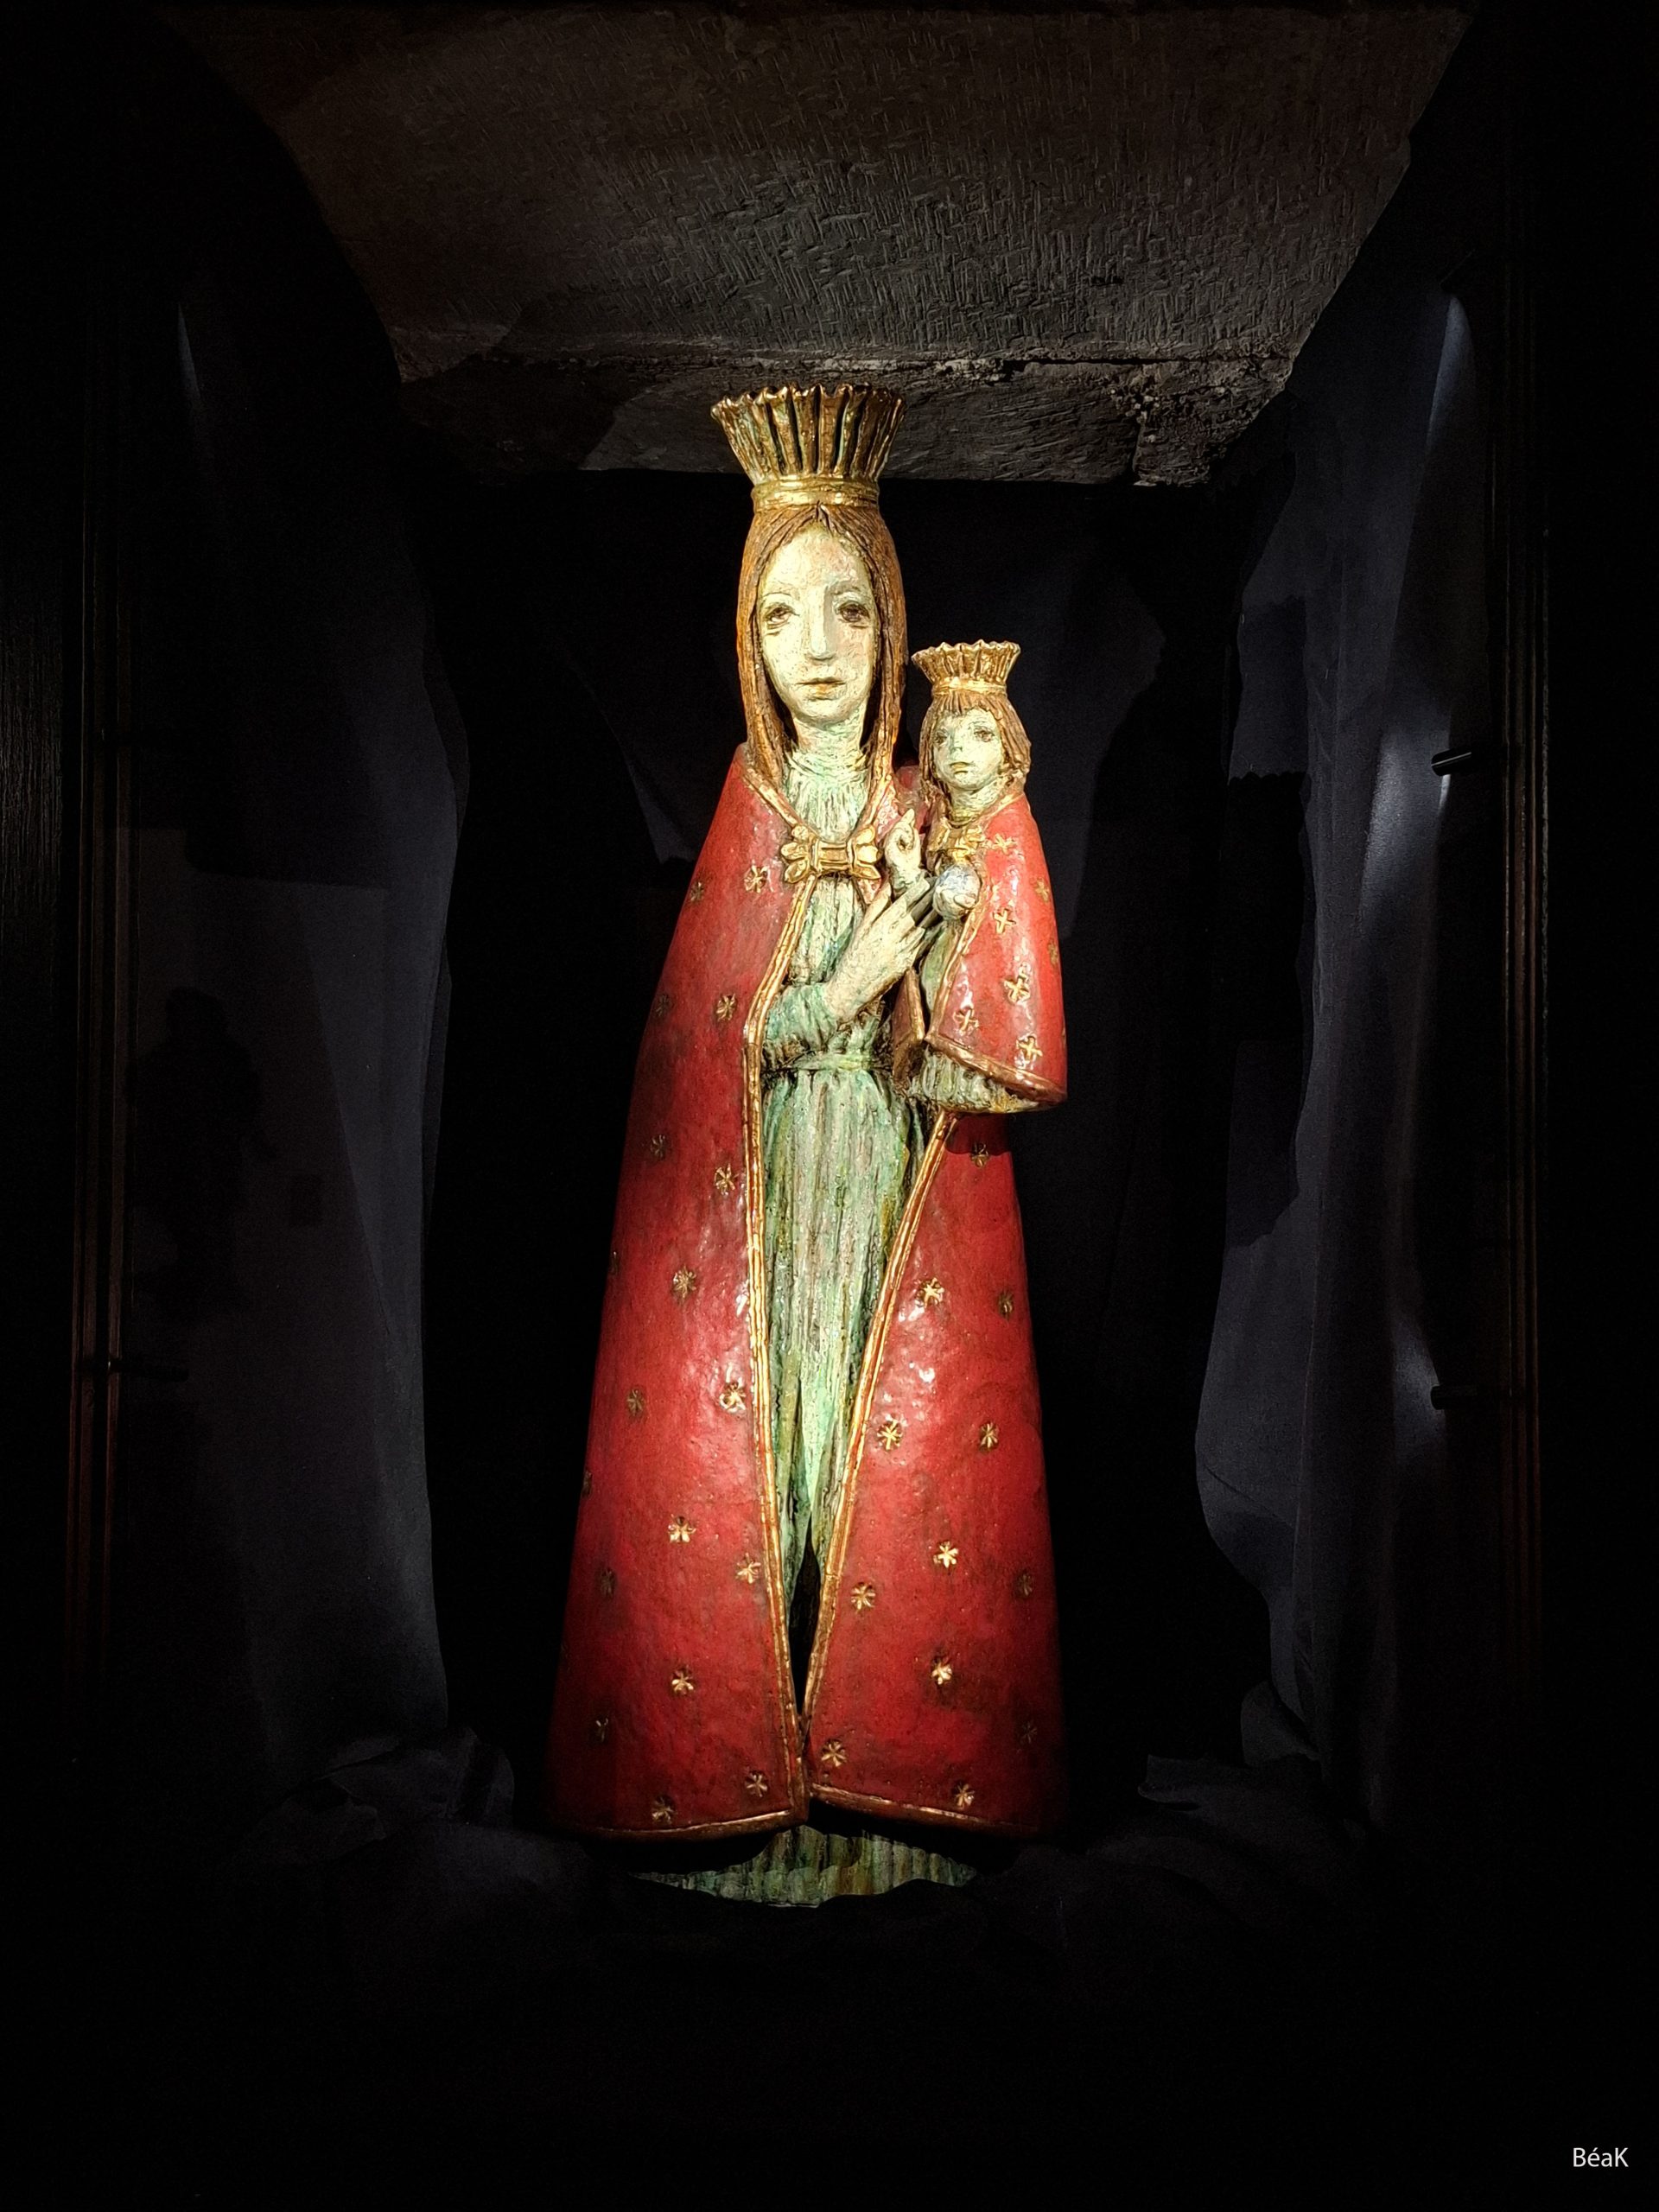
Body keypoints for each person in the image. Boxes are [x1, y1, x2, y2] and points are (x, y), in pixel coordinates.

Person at [544, 388, 1065, 1903]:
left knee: (875, 1460)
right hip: (769, 1204)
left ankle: (869, 1792)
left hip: (890, 1185)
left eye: (849, 609)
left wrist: (951, 914)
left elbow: (990, 1001)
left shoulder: (923, 801)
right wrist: (842, 987)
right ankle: (749, 1796)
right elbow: (702, 1047)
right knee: (766, 1461)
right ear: (747, 638)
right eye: (783, 615)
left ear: (891, 624)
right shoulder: (749, 803)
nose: (819, 648)